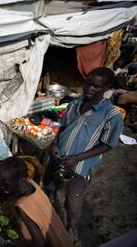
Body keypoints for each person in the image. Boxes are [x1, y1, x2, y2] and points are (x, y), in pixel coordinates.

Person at [45, 67, 124, 234]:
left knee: (73, 199)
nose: (90, 89)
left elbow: (108, 145)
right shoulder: (75, 103)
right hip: (59, 157)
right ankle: (48, 206)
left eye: (96, 86)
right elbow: (63, 126)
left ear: (107, 88)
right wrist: (54, 144)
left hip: (79, 167)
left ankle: (71, 226)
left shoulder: (111, 115)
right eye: (88, 83)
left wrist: (78, 158)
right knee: (52, 185)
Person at [0, 157, 73, 247]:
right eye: (0, 182)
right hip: (63, 239)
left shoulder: (21, 207)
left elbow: (40, 243)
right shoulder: (32, 184)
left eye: (6, 184)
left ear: (22, 180)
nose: (2, 186)